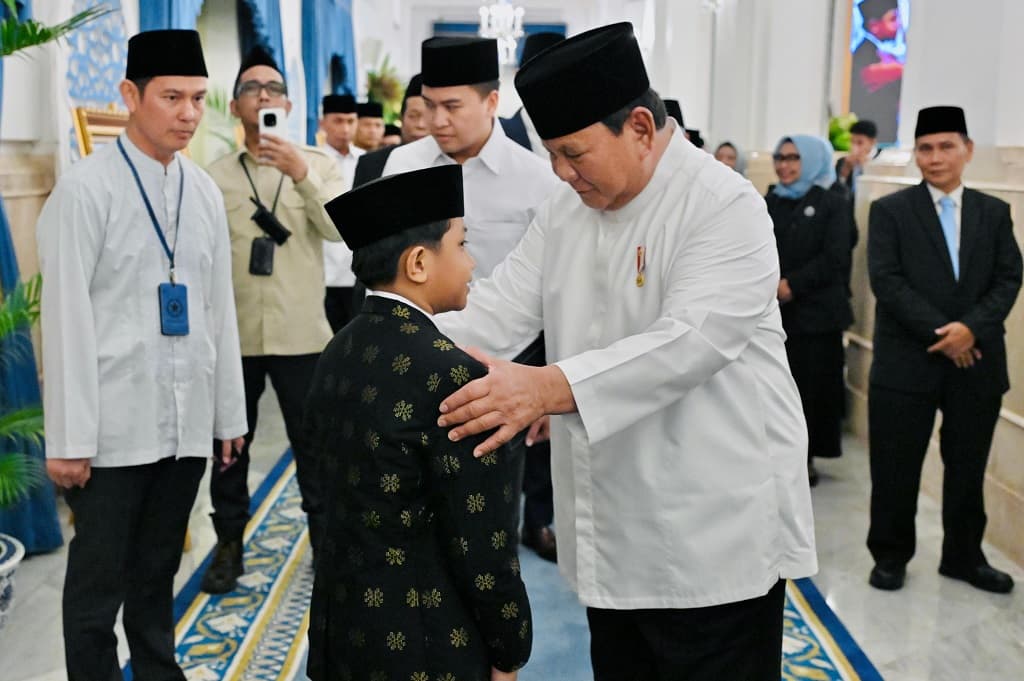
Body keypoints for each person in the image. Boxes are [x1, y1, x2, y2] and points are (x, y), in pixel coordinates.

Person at [433, 23, 816, 679]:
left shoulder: (723, 206)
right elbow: (495, 310)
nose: (560, 172)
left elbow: (687, 343)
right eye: (551, 153)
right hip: (611, 539)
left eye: (574, 152)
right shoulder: (566, 210)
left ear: (640, 126)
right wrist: (393, 340)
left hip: (712, 550)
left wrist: (544, 389)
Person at [37, 29, 247, 680]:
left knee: (157, 576)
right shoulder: (85, 190)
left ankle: (159, 672)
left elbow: (218, 311)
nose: (188, 114)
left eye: (198, 99)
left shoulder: (204, 192)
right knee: (98, 588)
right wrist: (69, 439)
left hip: (183, 428)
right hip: (110, 432)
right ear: (130, 95)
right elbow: (66, 319)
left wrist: (229, 416)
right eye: (172, 97)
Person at [306, 164, 531, 681]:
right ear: (419, 262)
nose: (472, 262)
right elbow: (484, 540)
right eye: (461, 244)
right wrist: (508, 647)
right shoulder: (455, 377)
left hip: (343, 629)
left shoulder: (336, 350)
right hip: (429, 642)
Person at [384, 36, 561, 562]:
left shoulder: (536, 178)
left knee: (489, 517)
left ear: (491, 102)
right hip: (418, 359)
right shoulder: (404, 165)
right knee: (416, 506)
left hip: (504, 370)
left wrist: (552, 379)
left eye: (452, 106)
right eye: (430, 105)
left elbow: (555, 288)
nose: (437, 119)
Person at [202, 46, 346, 594]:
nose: (262, 95)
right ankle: (228, 546)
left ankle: (326, 545)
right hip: (233, 338)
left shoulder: (319, 163)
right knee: (228, 450)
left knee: (315, 450)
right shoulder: (212, 178)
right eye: (250, 88)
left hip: (302, 336)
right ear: (236, 106)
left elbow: (341, 231)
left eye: (272, 88)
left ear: (287, 104)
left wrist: (303, 175)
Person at [866, 105, 1021, 594]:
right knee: (895, 465)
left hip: (976, 363)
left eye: (946, 146)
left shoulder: (994, 214)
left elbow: (1008, 277)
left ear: (968, 150)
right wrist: (946, 334)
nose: (935, 158)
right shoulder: (889, 212)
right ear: (915, 154)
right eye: (925, 148)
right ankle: (890, 555)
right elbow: (887, 282)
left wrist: (970, 330)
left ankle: (963, 556)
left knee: (967, 466)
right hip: (907, 363)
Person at [766, 135, 853, 486]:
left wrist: (792, 285)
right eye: (780, 157)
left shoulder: (832, 202)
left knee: (811, 393)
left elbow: (836, 257)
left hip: (817, 318)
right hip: (775, 315)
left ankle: (806, 459)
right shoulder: (770, 200)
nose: (785, 165)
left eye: (794, 158)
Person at [320, 93, 365, 332]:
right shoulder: (313, 162)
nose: (345, 128)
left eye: (350, 121)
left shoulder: (366, 161)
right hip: (324, 273)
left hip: (358, 272)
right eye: (338, 121)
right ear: (323, 123)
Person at [352, 74, 429, 188]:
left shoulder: (453, 161)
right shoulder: (370, 163)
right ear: (401, 118)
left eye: (428, 117)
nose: (420, 125)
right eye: (413, 116)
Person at [500, 31, 565, 158]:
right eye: (537, 75)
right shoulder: (499, 134)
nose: (547, 83)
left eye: (557, 75)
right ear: (518, 78)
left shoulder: (588, 133)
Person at [834, 119, 879, 196]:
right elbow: (836, 193)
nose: (854, 147)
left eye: (860, 143)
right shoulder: (842, 161)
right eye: (852, 141)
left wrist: (866, 168)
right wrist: (845, 171)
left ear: (872, 142)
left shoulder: (880, 161)